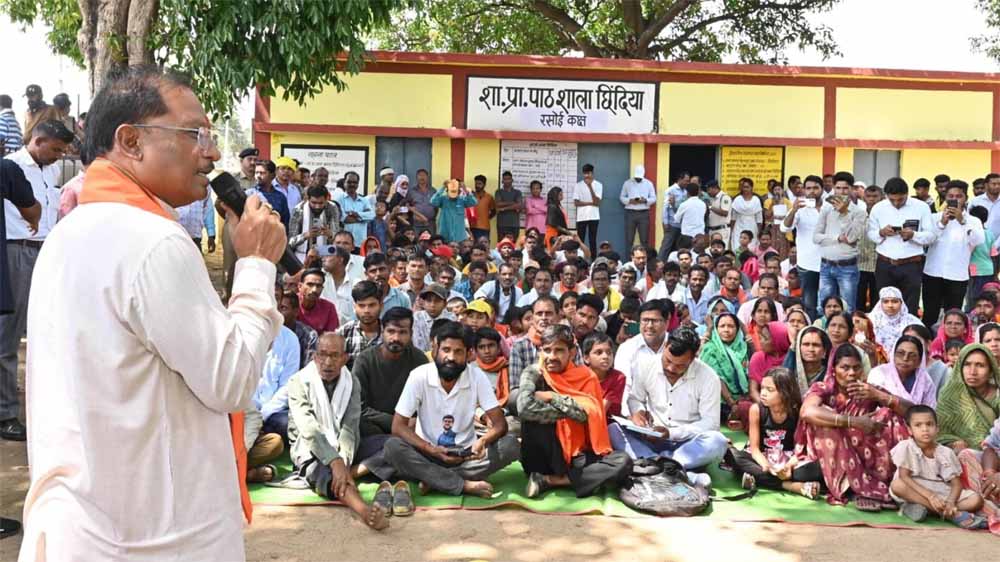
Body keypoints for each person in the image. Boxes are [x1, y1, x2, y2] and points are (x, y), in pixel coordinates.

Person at [19, 67, 287, 560]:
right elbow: (231, 380)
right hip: (156, 541)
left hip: (86, 529)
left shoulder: (69, 234)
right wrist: (255, 266)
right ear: (131, 141)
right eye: (195, 134)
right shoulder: (153, 241)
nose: (212, 153)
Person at [384, 321, 519, 498]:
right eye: (446, 350)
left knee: (510, 445)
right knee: (392, 446)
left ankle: (434, 480)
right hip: (427, 453)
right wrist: (431, 449)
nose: (451, 357)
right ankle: (461, 484)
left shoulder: (476, 376)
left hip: (467, 455)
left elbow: (500, 425)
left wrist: (482, 441)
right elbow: (398, 426)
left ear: (469, 354)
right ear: (435, 350)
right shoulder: (419, 376)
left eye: (458, 351)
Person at [1, 120, 73, 442]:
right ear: (38, 141)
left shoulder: (51, 170)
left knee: (43, 331)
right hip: (16, 251)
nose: (60, 156)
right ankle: (5, 414)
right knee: (8, 337)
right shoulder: (12, 167)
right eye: (56, 149)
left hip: (45, 251)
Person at [287, 333, 389, 529]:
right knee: (323, 471)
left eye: (334, 356)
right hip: (309, 449)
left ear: (345, 358)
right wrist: (334, 461)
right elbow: (309, 430)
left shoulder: (352, 382)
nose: (328, 362)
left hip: (345, 448)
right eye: (323, 354)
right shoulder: (298, 381)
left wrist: (342, 462)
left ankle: (348, 472)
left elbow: (350, 428)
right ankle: (364, 511)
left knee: (393, 445)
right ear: (314, 356)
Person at [517, 324, 633, 498]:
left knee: (623, 462)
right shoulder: (534, 373)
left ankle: (550, 481)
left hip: (577, 455)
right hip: (542, 454)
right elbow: (525, 408)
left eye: (559, 350)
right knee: (518, 402)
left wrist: (552, 397)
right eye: (547, 350)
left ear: (571, 353)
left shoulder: (586, 377)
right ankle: (571, 478)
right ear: (540, 351)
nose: (551, 356)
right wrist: (567, 411)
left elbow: (583, 415)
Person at [796, 344, 912, 510]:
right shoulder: (823, 388)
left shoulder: (867, 390)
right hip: (825, 455)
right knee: (825, 419)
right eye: (845, 368)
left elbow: (914, 413)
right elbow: (807, 412)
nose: (851, 373)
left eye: (856, 368)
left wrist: (879, 395)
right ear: (834, 369)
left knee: (889, 415)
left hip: (862, 455)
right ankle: (857, 490)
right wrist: (853, 422)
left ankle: (895, 481)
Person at [610, 327, 727, 488]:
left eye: (680, 365)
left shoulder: (709, 377)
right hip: (650, 438)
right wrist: (638, 412)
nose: (671, 368)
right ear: (665, 346)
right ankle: (680, 473)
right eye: (668, 361)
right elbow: (635, 398)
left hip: (687, 444)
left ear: (693, 358)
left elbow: (710, 423)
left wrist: (670, 433)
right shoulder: (645, 365)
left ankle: (654, 465)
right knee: (612, 430)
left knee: (717, 442)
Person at [727, 367, 822, 498]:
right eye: (762, 388)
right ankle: (793, 486)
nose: (763, 393)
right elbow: (754, 449)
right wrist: (766, 466)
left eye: (770, 390)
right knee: (732, 456)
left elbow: (801, 448)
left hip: (790, 460)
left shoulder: (798, 412)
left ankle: (759, 479)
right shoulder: (756, 410)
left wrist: (788, 467)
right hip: (762, 458)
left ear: (785, 392)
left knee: (816, 468)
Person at [889, 405, 987, 528]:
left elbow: (956, 484)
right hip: (913, 487)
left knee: (976, 500)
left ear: (937, 429)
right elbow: (904, 477)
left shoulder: (945, 452)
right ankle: (952, 515)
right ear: (909, 430)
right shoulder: (906, 447)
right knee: (897, 485)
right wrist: (930, 496)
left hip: (939, 489)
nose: (925, 429)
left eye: (929, 424)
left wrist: (951, 502)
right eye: (918, 425)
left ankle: (927, 509)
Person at [867, 177, 935, 313]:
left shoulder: (921, 207)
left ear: (907, 194)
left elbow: (931, 236)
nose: (896, 203)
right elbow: (871, 234)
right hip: (885, 263)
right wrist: (881, 232)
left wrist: (913, 235)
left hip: (911, 264)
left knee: (910, 305)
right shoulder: (878, 208)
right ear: (886, 195)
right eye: (892, 200)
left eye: (900, 199)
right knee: (884, 305)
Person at [923, 180, 984, 328]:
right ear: (945, 198)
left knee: (953, 316)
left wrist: (962, 221)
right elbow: (927, 240)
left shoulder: (973, 221)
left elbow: (978, 240)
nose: (954, 199)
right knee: (930, 314)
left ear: (965, 198)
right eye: (951, 196)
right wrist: (942, 224)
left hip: (957, 274)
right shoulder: (934, 218)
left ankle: (952, 341)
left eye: (958, 196)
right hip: (933, 272)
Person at [814, 171, 867, 317]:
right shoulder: (826, 209)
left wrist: (844, 214)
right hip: (826, 265)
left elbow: (851, 238)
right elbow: (816, 237)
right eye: (838, 188)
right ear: (833, 189)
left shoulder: (859, 212)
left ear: (851, 189)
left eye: (845, 188)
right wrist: (837, 238)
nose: (841, 192)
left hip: (847, 267)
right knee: (823, 308)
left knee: (847, 309)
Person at [936, 344, 1000, 452]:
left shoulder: (998, 395)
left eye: (980, 365)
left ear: (990, 371)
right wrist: (953, 442)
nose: (972, 372)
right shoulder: (949, 396)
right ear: (959, 367)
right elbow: (940, 433)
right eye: (967, 364)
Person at [698, 312, 751, 427]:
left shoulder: (743, 348)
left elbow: (753, 372)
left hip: (743, 397)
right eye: (722, 326)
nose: (726, 330)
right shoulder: (710, 349)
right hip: (720, 400)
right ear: (716, 329)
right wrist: (732, 403)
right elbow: (716, 378)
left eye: (731, 326)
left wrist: (745, 331)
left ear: (737, 329)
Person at [253, 321, 301, 443]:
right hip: (243, 410)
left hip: (272, 413)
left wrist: (263, 415)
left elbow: (287, 386)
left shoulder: (290, 339)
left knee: (290, 424)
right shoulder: (241, 331)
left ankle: (258, 437)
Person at [221, 146, 258, 300]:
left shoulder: (261, 180)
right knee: (231, 263)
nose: (253, 163)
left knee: (253, 263)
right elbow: (219, 204)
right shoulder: (232, 180)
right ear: (241, 161)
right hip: (233, 226)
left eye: (255, 160)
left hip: (254, 228)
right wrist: (232, 218)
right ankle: (227, 297)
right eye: (250, 159)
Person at [781, 175, 822, 314]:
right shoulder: (800, 209)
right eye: (809, 188)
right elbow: (784, 228)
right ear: (804, 190)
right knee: (809, 303)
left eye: (816, 188)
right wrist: (794, 210)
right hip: (807, 263)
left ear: (822, 189)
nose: (812, 191)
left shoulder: (829, 207)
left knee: (828, 301)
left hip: (828, 263)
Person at [866, 335, 937, 409]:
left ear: (919, 361)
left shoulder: (925, 380)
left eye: (912, 355)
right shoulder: (879, 373)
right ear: (893, 355)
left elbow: (930, 409)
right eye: (900, 353)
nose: (905, 358)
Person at [335, 280, 384, 371]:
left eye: (372, 305)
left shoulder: (390, 333)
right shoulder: (344, 333)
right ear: (354, 306)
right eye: (361, 306)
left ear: (381, 306)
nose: (366, 311)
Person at [288, 185, 342, 264]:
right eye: (314, 202)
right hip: (301, 255)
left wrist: (330, 234)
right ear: (308, 199)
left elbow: (338, 239)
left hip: (326, 255)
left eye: (321, 203)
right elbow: (291, 242)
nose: (317, 206)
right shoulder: (298, 210)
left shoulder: (332, 208)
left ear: (326, 199)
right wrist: (306, 235)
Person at [582, 332, 625, 422]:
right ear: (586, 358)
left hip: (607, 422)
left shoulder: (618, 378)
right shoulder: (580, 376)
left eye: (609, 353)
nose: (605, 357)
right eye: (599, 353)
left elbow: (601, 410)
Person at [868, 287, 922, 353]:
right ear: (880, 304)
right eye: (886, 302)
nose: (890, 305)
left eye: (894, 301)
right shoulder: (872, 320)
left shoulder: (912, 321)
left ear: (901, 303)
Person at [856, 184, 883, 312]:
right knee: (858, 299)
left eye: (875, 196)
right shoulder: (858, 216)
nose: (872, 199)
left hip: (879, 264)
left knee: (876, 300)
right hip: (859, 263)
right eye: (868, 196)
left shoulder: (885, 217)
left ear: (882, 197)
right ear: (864, 197)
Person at [783, 326, 833, 394]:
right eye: (806, 344)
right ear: (798, 348)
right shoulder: (790, 373)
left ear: (824, 351)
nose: (811, 349)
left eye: (816, 345)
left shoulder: (830, 376)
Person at [277, 289, 318, 368]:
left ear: (296, 312)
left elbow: (309, 368)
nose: (278, 312)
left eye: (283, 308)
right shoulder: (269, 331)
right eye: (277, 307)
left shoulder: (309, 336)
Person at [364, 252, 411, 317]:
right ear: (366, 274)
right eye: (373, 271)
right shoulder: (361, 299)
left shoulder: (402, 298)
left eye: (382, 269)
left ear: (389, 270)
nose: (378, 274)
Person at [412, 283, 456, 353]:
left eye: (437, 301)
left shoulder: (451, 319)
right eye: (429, 300)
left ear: (445, 304)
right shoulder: (417, 318)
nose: (432, 305)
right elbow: (417, 345)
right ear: (423, 303)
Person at [620, 164, 656, 248]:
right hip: (630, 213)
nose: (638, 179)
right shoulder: (627, 183)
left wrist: (645, 200)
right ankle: (629, 256)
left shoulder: (649, 184)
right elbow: (621, 197)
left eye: (639, 178)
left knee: (644, 239)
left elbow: (654, 198)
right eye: (637, 177)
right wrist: (630, 201)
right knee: (629, 239)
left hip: (644, 213)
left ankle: (644, 256)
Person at [431, 179, 477, 243]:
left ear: (459, 192)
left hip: (459, 238)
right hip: (445, 236)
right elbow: (433, 201)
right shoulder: (443, 199)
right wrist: (443, 187)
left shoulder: (462, 200)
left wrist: (465, 189)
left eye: (455, 192)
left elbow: (474, 202)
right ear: (447, 191)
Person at [297, 268, 340, 334]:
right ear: (300, 286)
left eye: (319, 286)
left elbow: (332, 336)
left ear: (322, 288)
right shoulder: (290, 303)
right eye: (310, 284)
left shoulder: (329, 308)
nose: (314, 290)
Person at [574, 163, 602, 257]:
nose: (586, 175)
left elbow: (597, 202)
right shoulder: (578, 185)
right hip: (581, 217)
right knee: (580, 239)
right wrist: (590, 203)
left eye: (588, 173)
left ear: (592, 173)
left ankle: (593, 260)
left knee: (592, 240)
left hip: (594, 216)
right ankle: (579, 258)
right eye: (585, 173)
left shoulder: (598, 185)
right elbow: (576, 203)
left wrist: (590, 187)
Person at [659, 171, 689, 258]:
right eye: (686, 181)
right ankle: (660, 262)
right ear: (680, 179)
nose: (687, 183)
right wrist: (665, 222)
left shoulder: (686, 191)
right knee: (666, 247)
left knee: (678, 248)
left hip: (682, 225)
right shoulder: (671, 190)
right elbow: (665, 207)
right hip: (672, 224)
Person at [730, 177, 763, 252]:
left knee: (751, 247)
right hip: (738, 226)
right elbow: (733, 218)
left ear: (751, 188)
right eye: (744, 187)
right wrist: (731, 230)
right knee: (737, 246)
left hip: (752, 226)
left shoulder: (756, 200)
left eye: (747, 187)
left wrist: (759, 232)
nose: (745, 189)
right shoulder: (737, 199)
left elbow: (759, 219)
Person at [762, 180, 791, 258]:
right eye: (775, 190)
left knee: (783, 250)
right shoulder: (768, 201)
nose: (777, 191)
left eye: (779, 189)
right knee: (772, 248)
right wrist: (773, 204)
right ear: (773, 191)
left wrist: (781, 217)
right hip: (772, 229)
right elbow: (767, 215)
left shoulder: (787, 202)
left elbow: (790, 216)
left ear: (782, 191)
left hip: (783, 229)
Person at [674, 181, 706, 251]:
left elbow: (676, 219)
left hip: (687, 235)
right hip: (700, 234)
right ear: (698, 192)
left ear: (687, 192)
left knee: (686, 253)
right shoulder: (703, 204)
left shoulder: (684, 204)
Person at [494, 170, 522, 240]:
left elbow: (519, 205)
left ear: (512, 180)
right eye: (505, 179)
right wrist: (513, 203)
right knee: (501, 244)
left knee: (513, 244)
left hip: (514, 224)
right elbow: (498, 204)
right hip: (502, 224)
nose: (507, 181)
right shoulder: (498, 192)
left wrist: (504, 208)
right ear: (502, 181)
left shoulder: (517, 192)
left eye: (509, 179)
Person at [705, 180, 731, 248]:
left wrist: (710, 207)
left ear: (715, 188)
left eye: (709, 190)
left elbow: (724, 213)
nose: (708, 192)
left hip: (722, 230)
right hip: (712, 230)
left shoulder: (724, 197)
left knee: (721, 249)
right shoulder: (712, 198)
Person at [470, 174, 496, 241]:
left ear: (484, 185)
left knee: (483, 246)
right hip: (471, 227)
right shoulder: (471, 196)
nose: (477, 186)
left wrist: (486, 218)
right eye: (476, 183)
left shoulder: (489, 197)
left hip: (484, 227)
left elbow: (494, 211)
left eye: (479, 184)